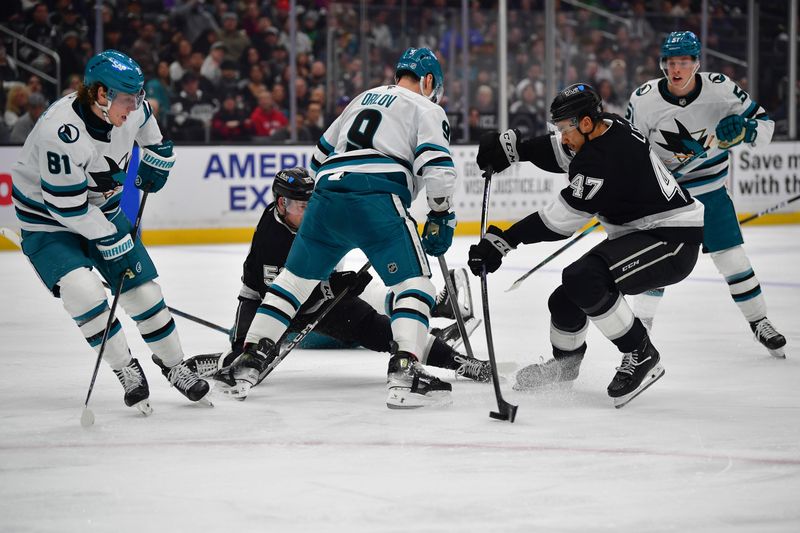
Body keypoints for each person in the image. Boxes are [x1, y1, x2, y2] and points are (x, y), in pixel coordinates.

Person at [226, 48, 459, 409]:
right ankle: (405, 368)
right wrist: (441, 214)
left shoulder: (361, 98)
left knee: (293, 282)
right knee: (414, 284)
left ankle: (250, 359)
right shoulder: (427, 108)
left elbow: (318, 157)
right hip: (377, 195)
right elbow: (439, 167)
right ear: (428, 81)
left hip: (326, 194)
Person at [470, 83, 705, 408]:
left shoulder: (603, 159)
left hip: (672, 241)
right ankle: (565, 367)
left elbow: (558, 221)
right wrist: (515, 151)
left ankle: (641, 353)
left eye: (565, 128)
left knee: (584, 278)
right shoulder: (606, 127)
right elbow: (558, 151)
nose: (562, 136)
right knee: (565, 300)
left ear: (584, 123)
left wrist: (504, 240)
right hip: (644, 234)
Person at [10, 50, 210, 416]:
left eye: (138, 97)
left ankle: (174, 364)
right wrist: (109, 236)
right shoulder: (61, 133)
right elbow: (65, 207)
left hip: (102, 209)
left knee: (144, 292)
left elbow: (151, 134)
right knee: (84, 293)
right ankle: (125, 368)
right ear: (100, 95)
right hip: (47, 222)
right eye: (127, 99)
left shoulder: (132, 108)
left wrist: (158, 157)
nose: (135, 106)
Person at [190, 167, 487, 396]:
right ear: (281, 204)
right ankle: (216, 361)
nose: (310, 213)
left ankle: (461, 363)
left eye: (312, 204)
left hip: (323, 302)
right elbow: (277, 293)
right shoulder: (273, 235)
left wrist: (338, 283)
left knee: (386, 332)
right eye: (302, 207)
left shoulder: (320, 220)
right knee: (246, 359)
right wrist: (331, 286)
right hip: (265, 302)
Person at [625, 31, 786, 358]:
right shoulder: (643, 100)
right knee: (657, 268)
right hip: (667, 198)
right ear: (662, 65)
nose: (677, 69)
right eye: (671, 62)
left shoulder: (721, 88)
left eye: (684, 62)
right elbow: (630, 151)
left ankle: (759, 321)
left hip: (711, 192)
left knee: (732, 258)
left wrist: (746, 130)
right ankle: (639, 335)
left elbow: (764, 126)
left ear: (697, 63)